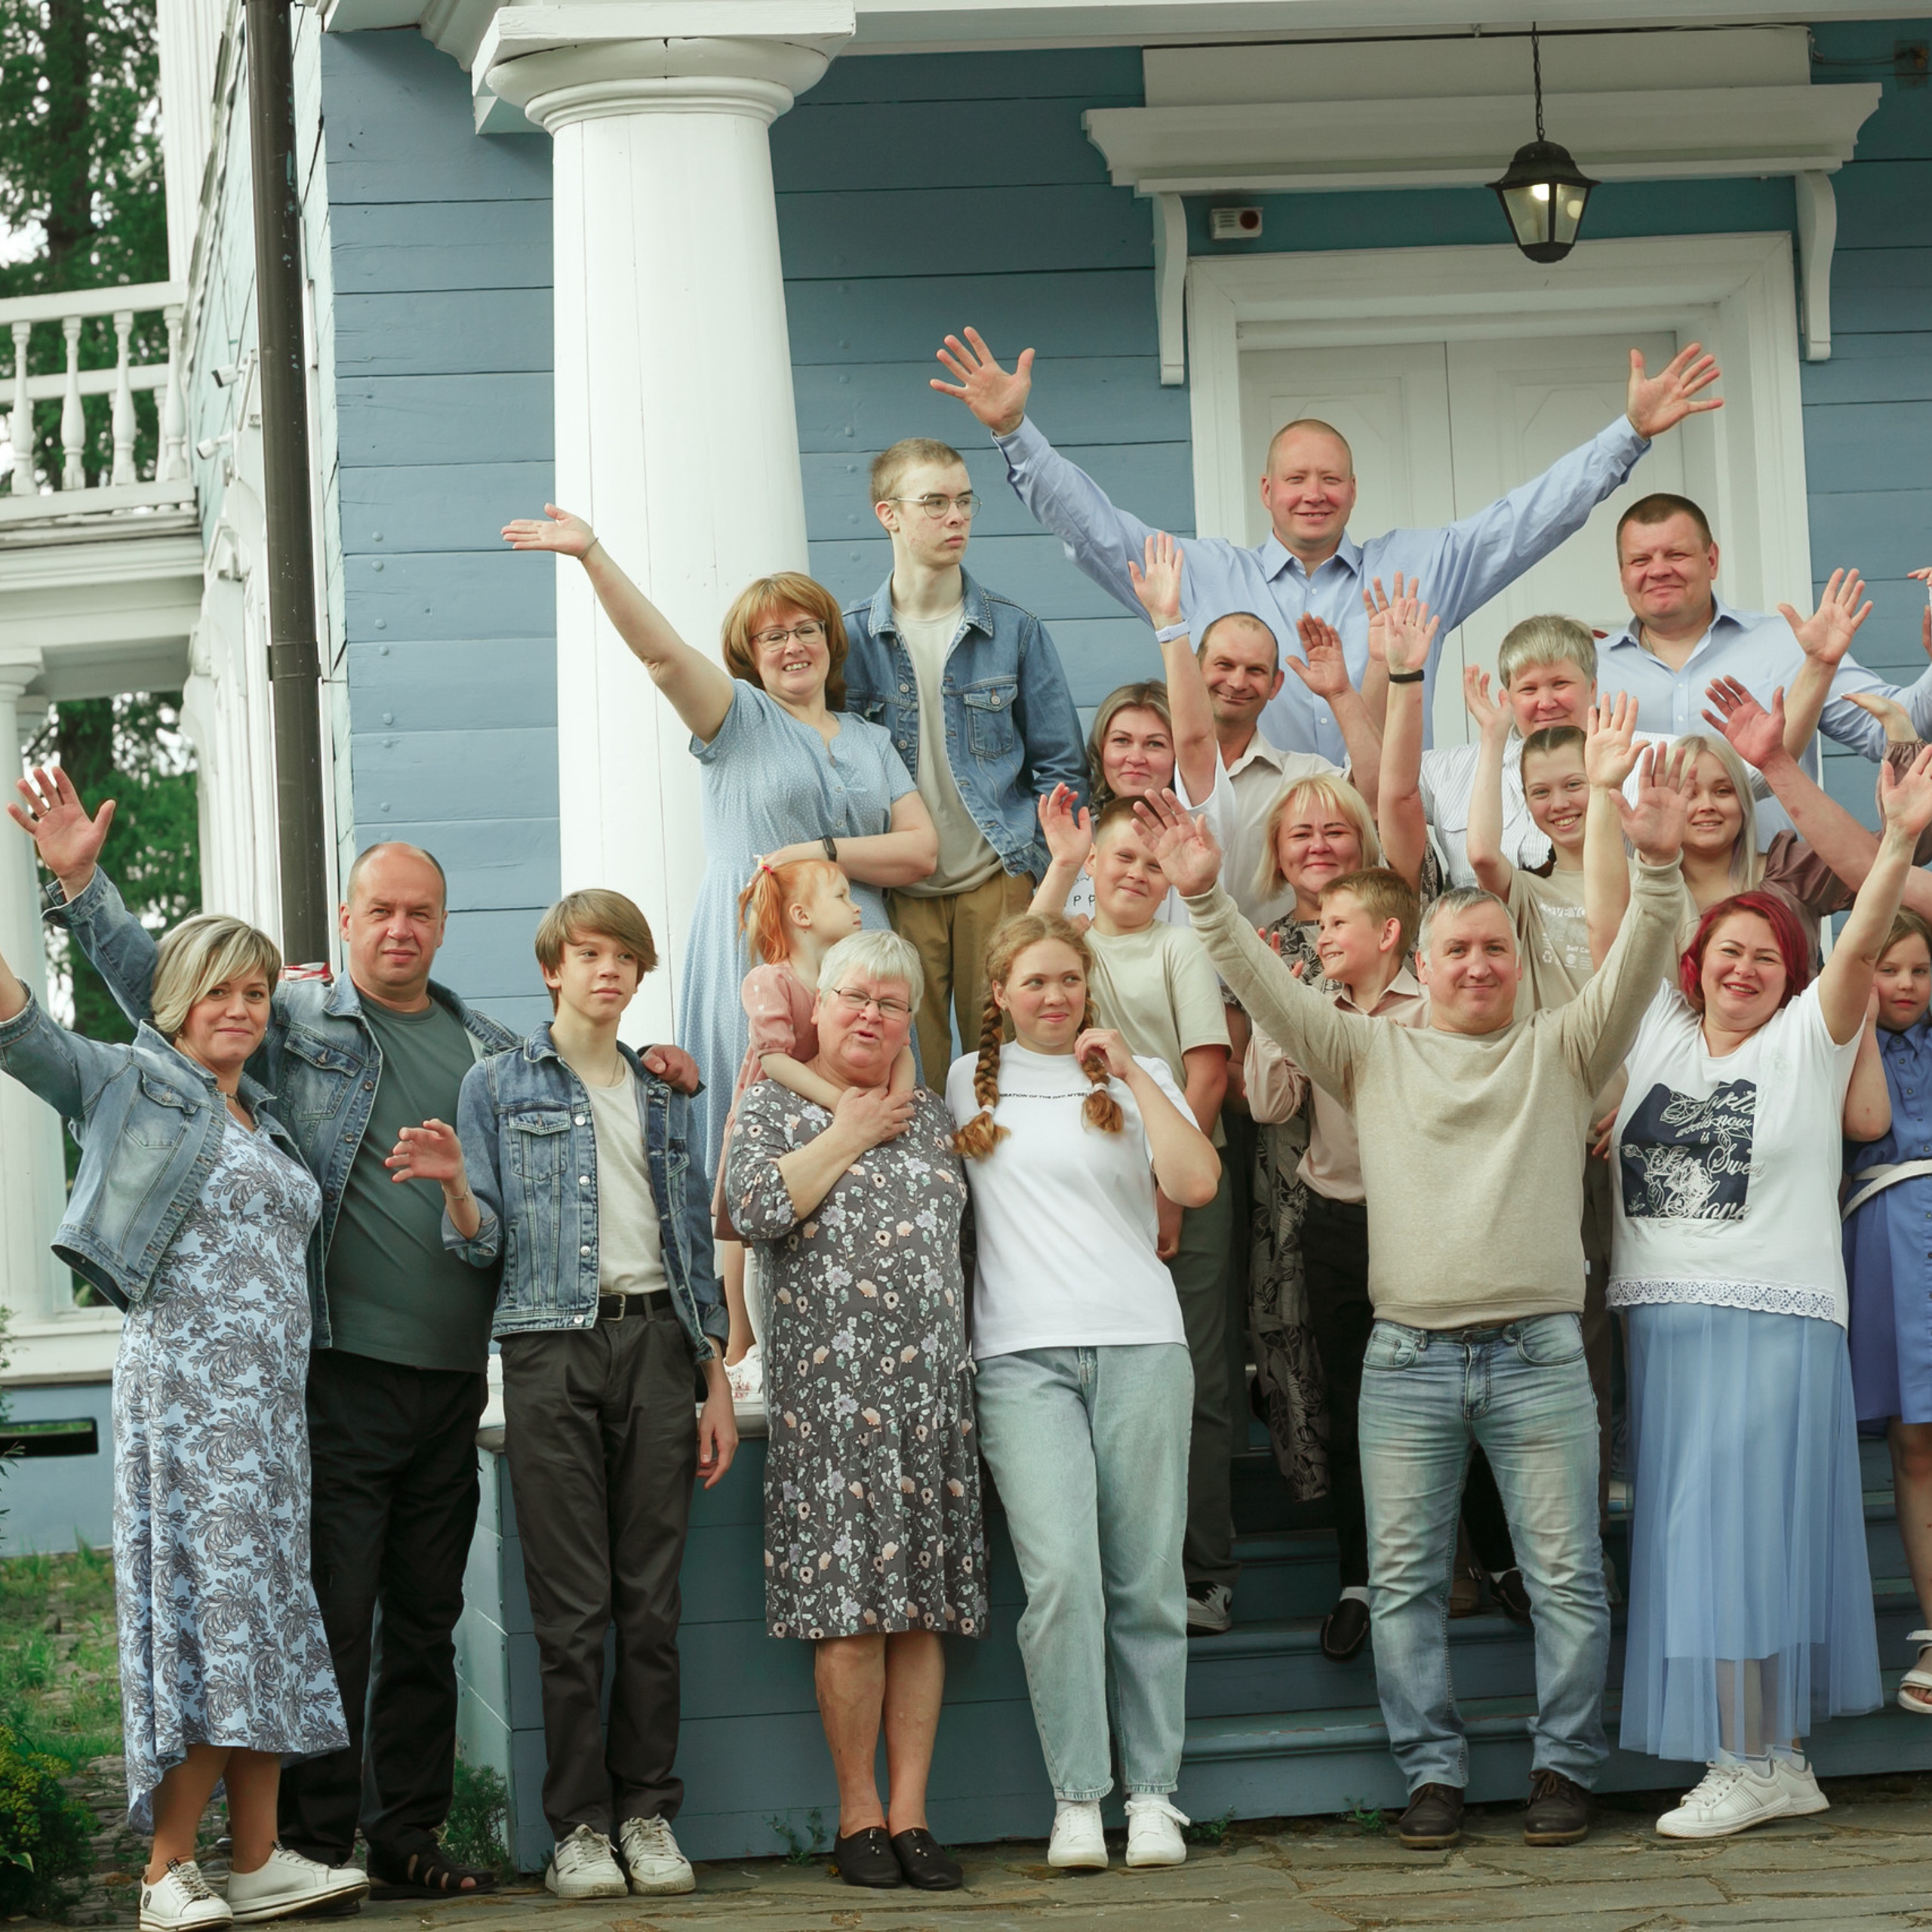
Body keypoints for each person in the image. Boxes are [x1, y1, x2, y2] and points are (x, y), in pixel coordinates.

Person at [9, 773, 671, 1897]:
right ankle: (306, 1844)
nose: (402, 929)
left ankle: (405, 1833)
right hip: (329, 1376)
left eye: (422, 914)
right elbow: (163, 1003)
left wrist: (663, 1076)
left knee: (425, 1617)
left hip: (453, 1377)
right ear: (349, 924)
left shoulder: (495, 1054)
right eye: (383, 912)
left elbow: (551, 1168)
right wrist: (81, 882)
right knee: (332, 1612)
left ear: (443, 927)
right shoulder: (293, 1022)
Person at [1138, 737, 1694, 1854]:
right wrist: (1202, 895)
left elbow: (1636, 962)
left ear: (1516, 963)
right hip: (1409, 1361)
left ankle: (1563, 1768)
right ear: (1420, 967)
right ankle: (1432, 1774)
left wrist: (1662, 867)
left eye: (1495, 948)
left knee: (1568, 1578)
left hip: (1538, 1354)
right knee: (1400, 1586)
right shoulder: (1365, 1053)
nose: (1480, 965)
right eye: (1458, 952)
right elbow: (1259, 985)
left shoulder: (1564, 1046)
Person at [0, 914, 364, 1930]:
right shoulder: (133, 1086)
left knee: (270, 1623)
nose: (242, 1011)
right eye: (220, 992)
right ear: (177, 1003)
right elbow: (27, 1036)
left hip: (271, 1415)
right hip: (190, 1404)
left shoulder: (268, 1115)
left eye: (256, 993)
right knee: (217, 1624)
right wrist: (75, 888)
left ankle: (256, 1861)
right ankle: (165, 1871)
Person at [1607, 752, 1932, 1837]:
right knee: (1702, 1542)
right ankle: (1776, 1757)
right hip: (1665, 1325)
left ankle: (1746, 1759)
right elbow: (1624, 925)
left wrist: (1894, 845)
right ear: (1696, 963)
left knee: (1730, 1543)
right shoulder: (1653, 1026)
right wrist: (1630, 822)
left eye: (1767, 958)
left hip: (1767, 1323)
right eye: (1727, 951)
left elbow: (1863, 947)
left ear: (1793, 981)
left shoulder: (1808, 1040)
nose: (1743, 968)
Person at [398, 890, 736, 1900]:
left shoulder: (669, 1091)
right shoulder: (497, 1085)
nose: (605, 971)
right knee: (572, 1609)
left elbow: (691, 1248)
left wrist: (714, 1375)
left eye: (623, 957)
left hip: (659, 1348)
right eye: (586, 954)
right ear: (554, 969)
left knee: (653, 1602)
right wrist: (458, 1187)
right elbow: (481, 1243)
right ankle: (580, 1827)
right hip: (551, 1351)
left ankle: (647, 1816)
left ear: (638, 977)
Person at [931, 327, 1721, 757]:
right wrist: (1013, 434)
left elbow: (1529, 518)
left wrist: (1627, 436)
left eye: (1331, 479)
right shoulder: (1202, 573)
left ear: (1352, 491)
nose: (1314, 493)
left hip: (1385, 830)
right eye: (1296, 479)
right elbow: (1093, 528)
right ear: (1266, 493)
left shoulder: (1419, 567)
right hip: (1257, 837)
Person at [502, 506, 937, 1173]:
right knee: (757, 1117)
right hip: (755, 943)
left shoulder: (872, 741)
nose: (793, 646)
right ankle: (736, 1279)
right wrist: (593, 554)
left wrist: (819, 853)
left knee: (870, 1112)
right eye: (772, 639)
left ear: (830, 641)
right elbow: (662, 656)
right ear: (749, 657)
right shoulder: (738, 718)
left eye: (806, 630)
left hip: (854, 947)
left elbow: (919, 852)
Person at [948, 912, 1219, 1872]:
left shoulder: (1125, 1067)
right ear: (1002, 994)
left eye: (1069, 979)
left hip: (1142, 1343)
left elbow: (1195, 1180)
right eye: (1034, 982)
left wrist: (1136, 1075)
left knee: (1146, 1578)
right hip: (1021, 1359)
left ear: (1088, 986)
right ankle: (1077, 1797)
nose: (1054, 996)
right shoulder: (961, 1083)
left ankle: (1152, 1796)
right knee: (1060, 1578)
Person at [723, 930, 984, 1894]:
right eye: (852, 997)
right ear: (818, 1007)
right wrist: (845, 1133)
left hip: (930, 1400)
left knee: (921, 1615)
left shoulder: (926, 1115)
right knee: (851, 1618)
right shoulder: (772, 1102)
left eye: (888, 1001)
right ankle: (856, 1816)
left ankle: (911, 1812)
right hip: (831, 1409)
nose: (869, 1014)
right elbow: (751, 1210)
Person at [1032, 790, 1235, 1632]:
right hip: (1089, 1190)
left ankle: (1205, 1571)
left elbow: (1209, 1075)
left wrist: (1165, 1189)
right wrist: (1064, 860)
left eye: (1155, 863)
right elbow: (1020, 952)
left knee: (1198, 1375)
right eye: (1122, 856)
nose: (1138, 874)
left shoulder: (1177, 949)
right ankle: (1121, 1569)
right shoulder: (1069, 945)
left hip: (1178, 1173)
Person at [841, 435, 1087, 1084]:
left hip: (995, 881)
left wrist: (1032, 869)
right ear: (888, 514)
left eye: (965, 502)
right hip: (897, 893)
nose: (956, 517)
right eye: (935, 503)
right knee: (906, 1068)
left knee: (1008, 1064)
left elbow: (1062, 765)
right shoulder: (846, 639)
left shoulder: (1015, 631)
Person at [1244, 866, 1424, 1662]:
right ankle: (1359, 1578)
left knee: (1454, 1400)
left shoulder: (1438, 1008)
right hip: (1336, 1228)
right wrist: (1275, 1011)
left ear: (1387, 934)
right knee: (1354, 1406)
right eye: (1319, 926)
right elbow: (1268, 1106)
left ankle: (1493, 1559)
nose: (1322, 937)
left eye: (1336, 924)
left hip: (1428, 1230)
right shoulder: (1311, 1010)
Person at [1598, 495, 1932, 818]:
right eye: (1640, 560)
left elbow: (1889, 729)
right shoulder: (1589, 670)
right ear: (1622, 573)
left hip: (1777, 873)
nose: (1658, 571)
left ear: (1711, 560)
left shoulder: (1791, 646)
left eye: (1676, 554)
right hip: (1638, 875)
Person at [711, 857, 912, 1371]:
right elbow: (775, 1059)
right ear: (801, 915)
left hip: (830, 1106)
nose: (856, 906)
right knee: (744, 1228)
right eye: (843, 896)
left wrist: (895, 1102)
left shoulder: (846, 979)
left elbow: (902, 1049)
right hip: (780, 1102)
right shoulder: (769, 979)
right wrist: (837, 1101)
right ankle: (739, 1329)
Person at [1844, 909, 1932, 1716]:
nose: (1904, 985)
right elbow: (1860, 1126)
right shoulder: (1840, 1044)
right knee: (1914, 1443)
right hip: (1885, 1235)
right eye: (1887, 968)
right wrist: (1859, 1019)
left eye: (1918, 969)